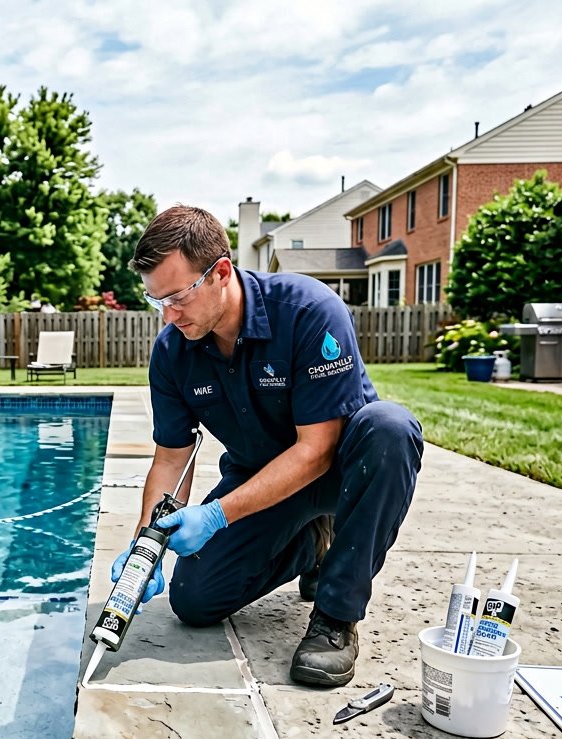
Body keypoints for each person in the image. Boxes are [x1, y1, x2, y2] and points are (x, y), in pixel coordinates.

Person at [112, 205, 423, 687]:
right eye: (158, 302)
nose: (169, 317)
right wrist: (144, 548)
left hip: (342, 470)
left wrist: (216, 516)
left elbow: (317, 450)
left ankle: (336, 617)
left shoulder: (307, 311)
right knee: (194, 601)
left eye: (176, 298)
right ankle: (311, 546)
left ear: (219, 273)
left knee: (391, 428)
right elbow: (173, 456)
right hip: (261, 476)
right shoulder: (173, 351)